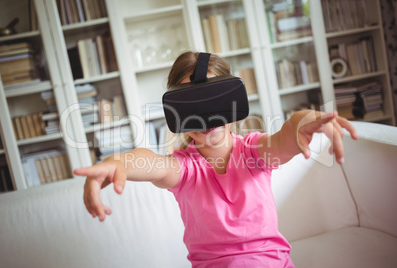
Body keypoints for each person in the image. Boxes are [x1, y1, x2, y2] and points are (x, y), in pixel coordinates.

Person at [74, 51, 358, 267]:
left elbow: (285, 136)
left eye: (213, 100)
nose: (205, 116)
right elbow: (149, 162)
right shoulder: (183, 170)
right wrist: (118, 163)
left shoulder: (255, 152)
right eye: (192, 104)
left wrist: (304, 120)